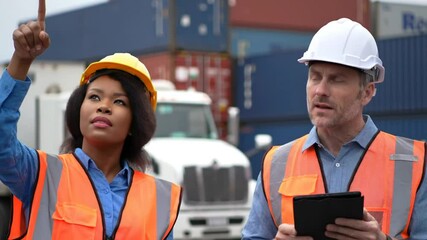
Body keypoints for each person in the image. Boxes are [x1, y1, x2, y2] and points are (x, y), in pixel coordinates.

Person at [0, 1, 182, 239]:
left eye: (119, 102)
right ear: (79, 110)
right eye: (94, 97)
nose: (104, 106)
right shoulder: (40, 174)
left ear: (135, 122)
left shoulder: (160, 199)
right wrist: (21, 62)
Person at [242, 18, 427, 240]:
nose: (320, 90)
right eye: (315, 77)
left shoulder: (416, 163)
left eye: (336, 80)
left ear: (367, 92)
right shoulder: (275, 163)